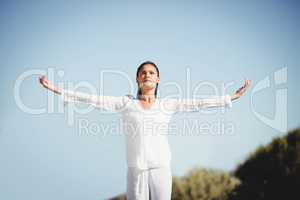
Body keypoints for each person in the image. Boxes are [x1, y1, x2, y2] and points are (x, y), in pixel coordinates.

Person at [39, 61, 251, 200]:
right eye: (143, 73)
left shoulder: (167, 104)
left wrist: (230, 97)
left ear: (157, 79)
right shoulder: (125, 103)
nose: (147, 75)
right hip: (135, 170)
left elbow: (198, 103)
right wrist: (58, 90)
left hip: (160, 168)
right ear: (138, 79)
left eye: (151, 73)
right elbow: (93, 98)